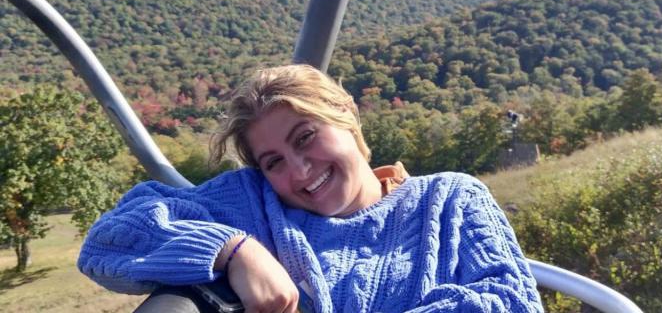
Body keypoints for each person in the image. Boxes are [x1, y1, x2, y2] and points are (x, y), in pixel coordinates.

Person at [78, 64, 543, 312]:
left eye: (305, 137)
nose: (300, 172)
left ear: (346, 115)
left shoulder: (449, 200)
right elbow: (109, 239)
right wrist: (233, 249)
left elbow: (511, 300)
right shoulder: (257, 203)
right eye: (274, 161)